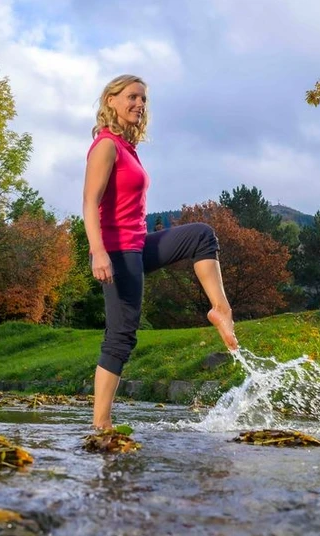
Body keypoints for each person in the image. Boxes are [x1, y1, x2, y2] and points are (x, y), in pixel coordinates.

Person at [82, 74, 239, 430]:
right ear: (111, 100)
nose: (140, 104)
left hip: (137, 245)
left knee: (201, 235)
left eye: (144, 100)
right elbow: (89, 203)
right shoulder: (105, 146)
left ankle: (220, 308)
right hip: (117, 250)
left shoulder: (127, 148)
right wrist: (98, 252)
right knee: (122, 335)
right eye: (132, 97)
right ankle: (100, 424)